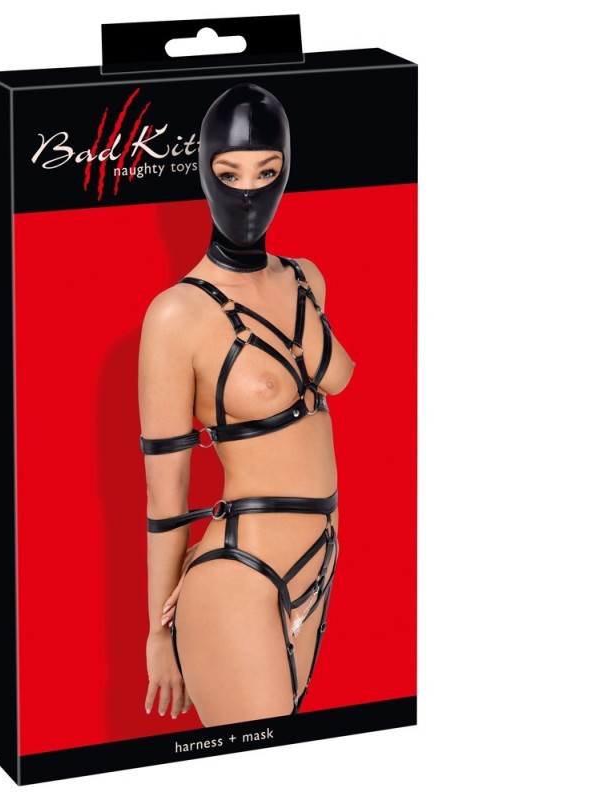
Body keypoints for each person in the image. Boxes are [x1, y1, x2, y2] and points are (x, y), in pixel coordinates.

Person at [139, 83, 355, 726]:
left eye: (268, 171)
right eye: (228, 173)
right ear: (203, 174)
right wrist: (157, 633)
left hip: (322, 560)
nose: (249, 192)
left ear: (287, 170)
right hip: (239, 570)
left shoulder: (307, 279)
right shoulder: (176, 316)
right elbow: (165, 493)